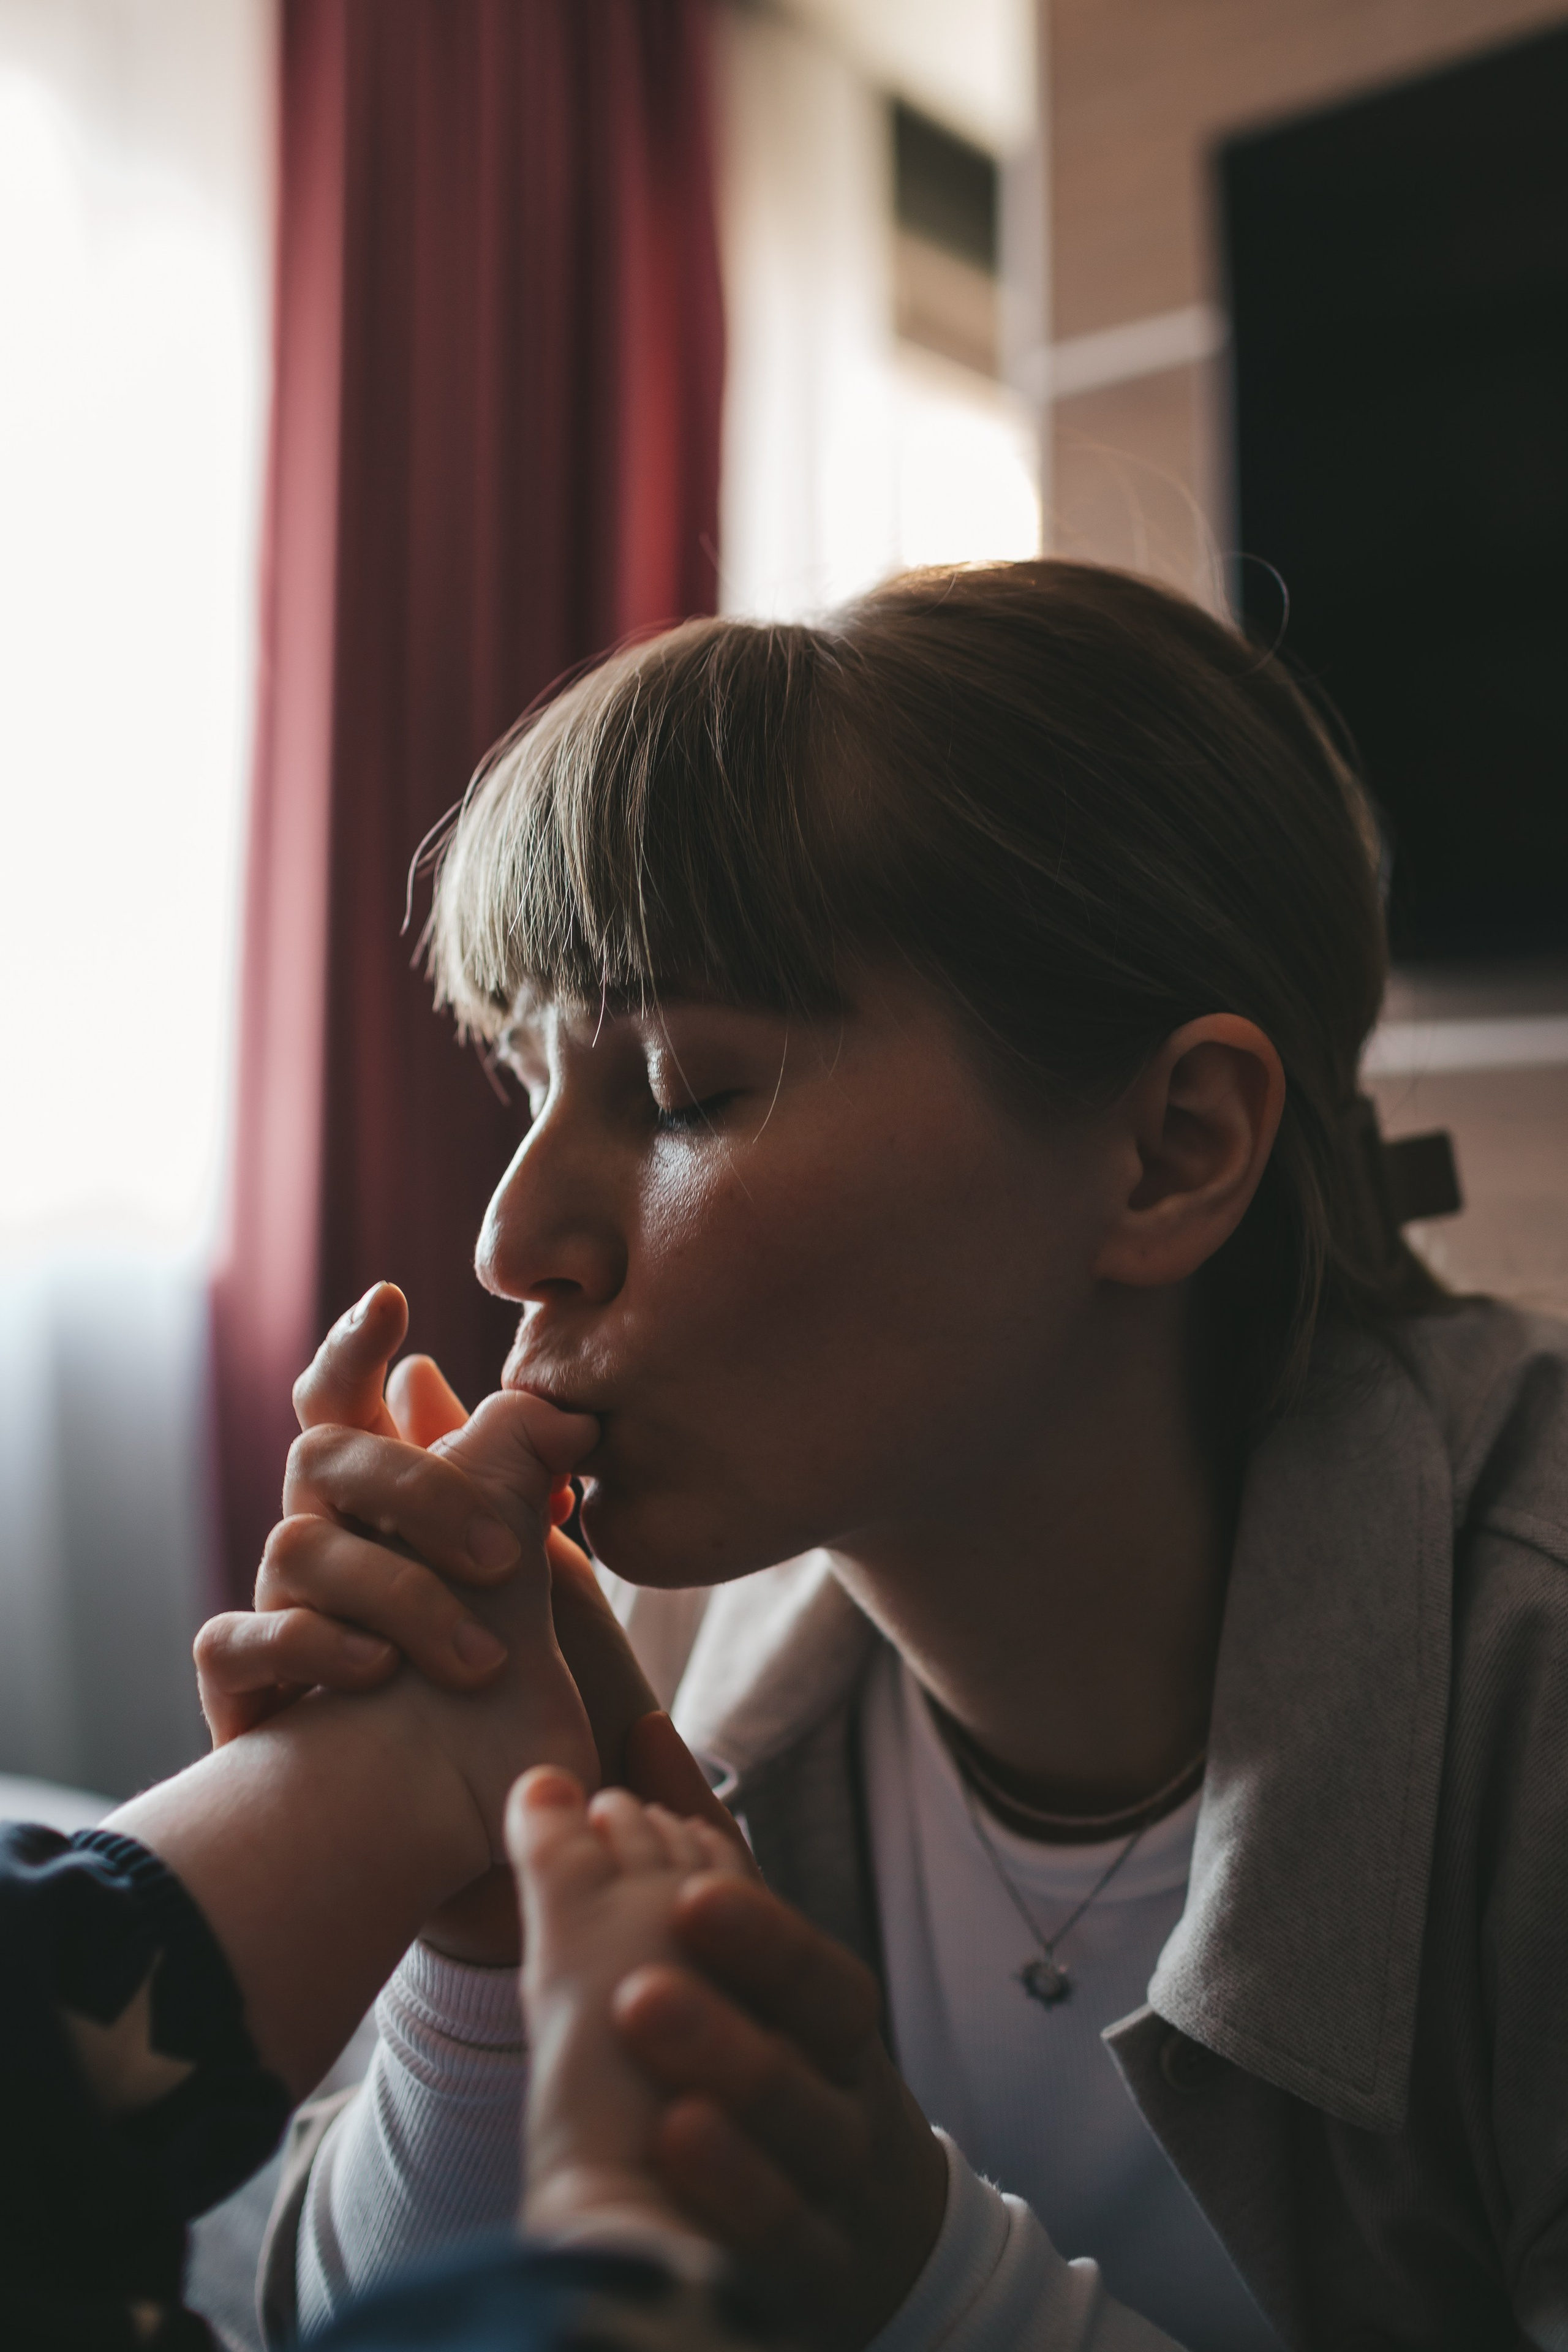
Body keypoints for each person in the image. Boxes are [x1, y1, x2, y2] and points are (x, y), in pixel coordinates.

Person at [197, 560, 1568, 2351]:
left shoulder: (1529, 1695)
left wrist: (930, 2288)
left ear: (1170, 1149)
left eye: (681, 1092)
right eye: (528, 1086)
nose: (511, 1237)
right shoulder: (650, 1628)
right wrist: (487, 1956)